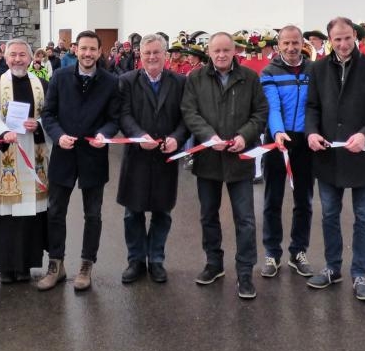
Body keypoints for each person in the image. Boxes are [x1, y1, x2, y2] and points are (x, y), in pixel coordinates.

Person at [305, 17, 365, 301]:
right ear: (330, 40)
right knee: (330, 214)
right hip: (328, 155)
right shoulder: (318, 68)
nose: (342, 44)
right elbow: (312, 106)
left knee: (364, 217)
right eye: (337, 39)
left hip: (362, 156)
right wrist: (311, 132)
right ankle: (333, 267)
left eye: (346, 38)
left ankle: (359, 273)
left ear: (354, 36)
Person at [181, 32, 268, 300]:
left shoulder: (250, 79)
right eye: (216, 50)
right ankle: (214, 264)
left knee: (245, 219)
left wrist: (245, 136)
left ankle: (244, 273)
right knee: (208, 215)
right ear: (209, 51)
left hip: (238, 159)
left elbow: (260, 113)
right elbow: (189, 111)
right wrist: (208, 136)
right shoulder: (195, 78)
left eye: (226, 50)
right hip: (208, 159)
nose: (221, 55)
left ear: (234, 51)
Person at [37, 30, 121, 292]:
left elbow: (114, 119)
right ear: (75, 50)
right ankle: (56, 264)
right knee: (55, 212)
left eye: (92, 49)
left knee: (93, 214)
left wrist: (104, 134)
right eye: (83, 48)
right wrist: (58, 136)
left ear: (99, 52)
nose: (87, 53)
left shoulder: (110, 81)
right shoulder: (61, 77)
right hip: (64, 154)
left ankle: (86, 265)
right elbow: (48, 114)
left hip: (93, 156)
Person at [0, 39, 50, 283]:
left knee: (31, 213)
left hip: (33, 153)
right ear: (5, 58)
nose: (17, 59)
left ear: (30, 58)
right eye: (13, 55)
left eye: (22, 55)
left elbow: (51, 115)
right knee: (6, 213)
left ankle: (26, 265)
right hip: (5, 153)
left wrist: (38, 125)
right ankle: (6, 267)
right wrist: (2, 132)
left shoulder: (43, 85)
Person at [117, 34, 189, 284]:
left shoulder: (180, 82)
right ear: (140, 55)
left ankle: (156, 259)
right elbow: (123, 115)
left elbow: (185, 118)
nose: (152, 57)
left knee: (162, 212)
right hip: (137, 155)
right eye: (147, 53)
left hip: (165, 156)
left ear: (165, 54)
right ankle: (136, 260)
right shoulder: (127, 81)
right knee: (132, 213)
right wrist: (138, 136)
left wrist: (177, 139)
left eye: (156, 52)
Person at [258, 25, 316, 280]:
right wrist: (278, 132)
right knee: (273, 199)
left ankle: (298, 251)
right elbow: (272, 107)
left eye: (295, 43)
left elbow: (318, 105)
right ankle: (272, 252)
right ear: (278, 45)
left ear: (302, 43)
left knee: (304, 200)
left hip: (306, 142)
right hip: (278, 141)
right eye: (286, 44)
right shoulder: (270, 71)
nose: (291, 48)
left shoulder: (315, 70)